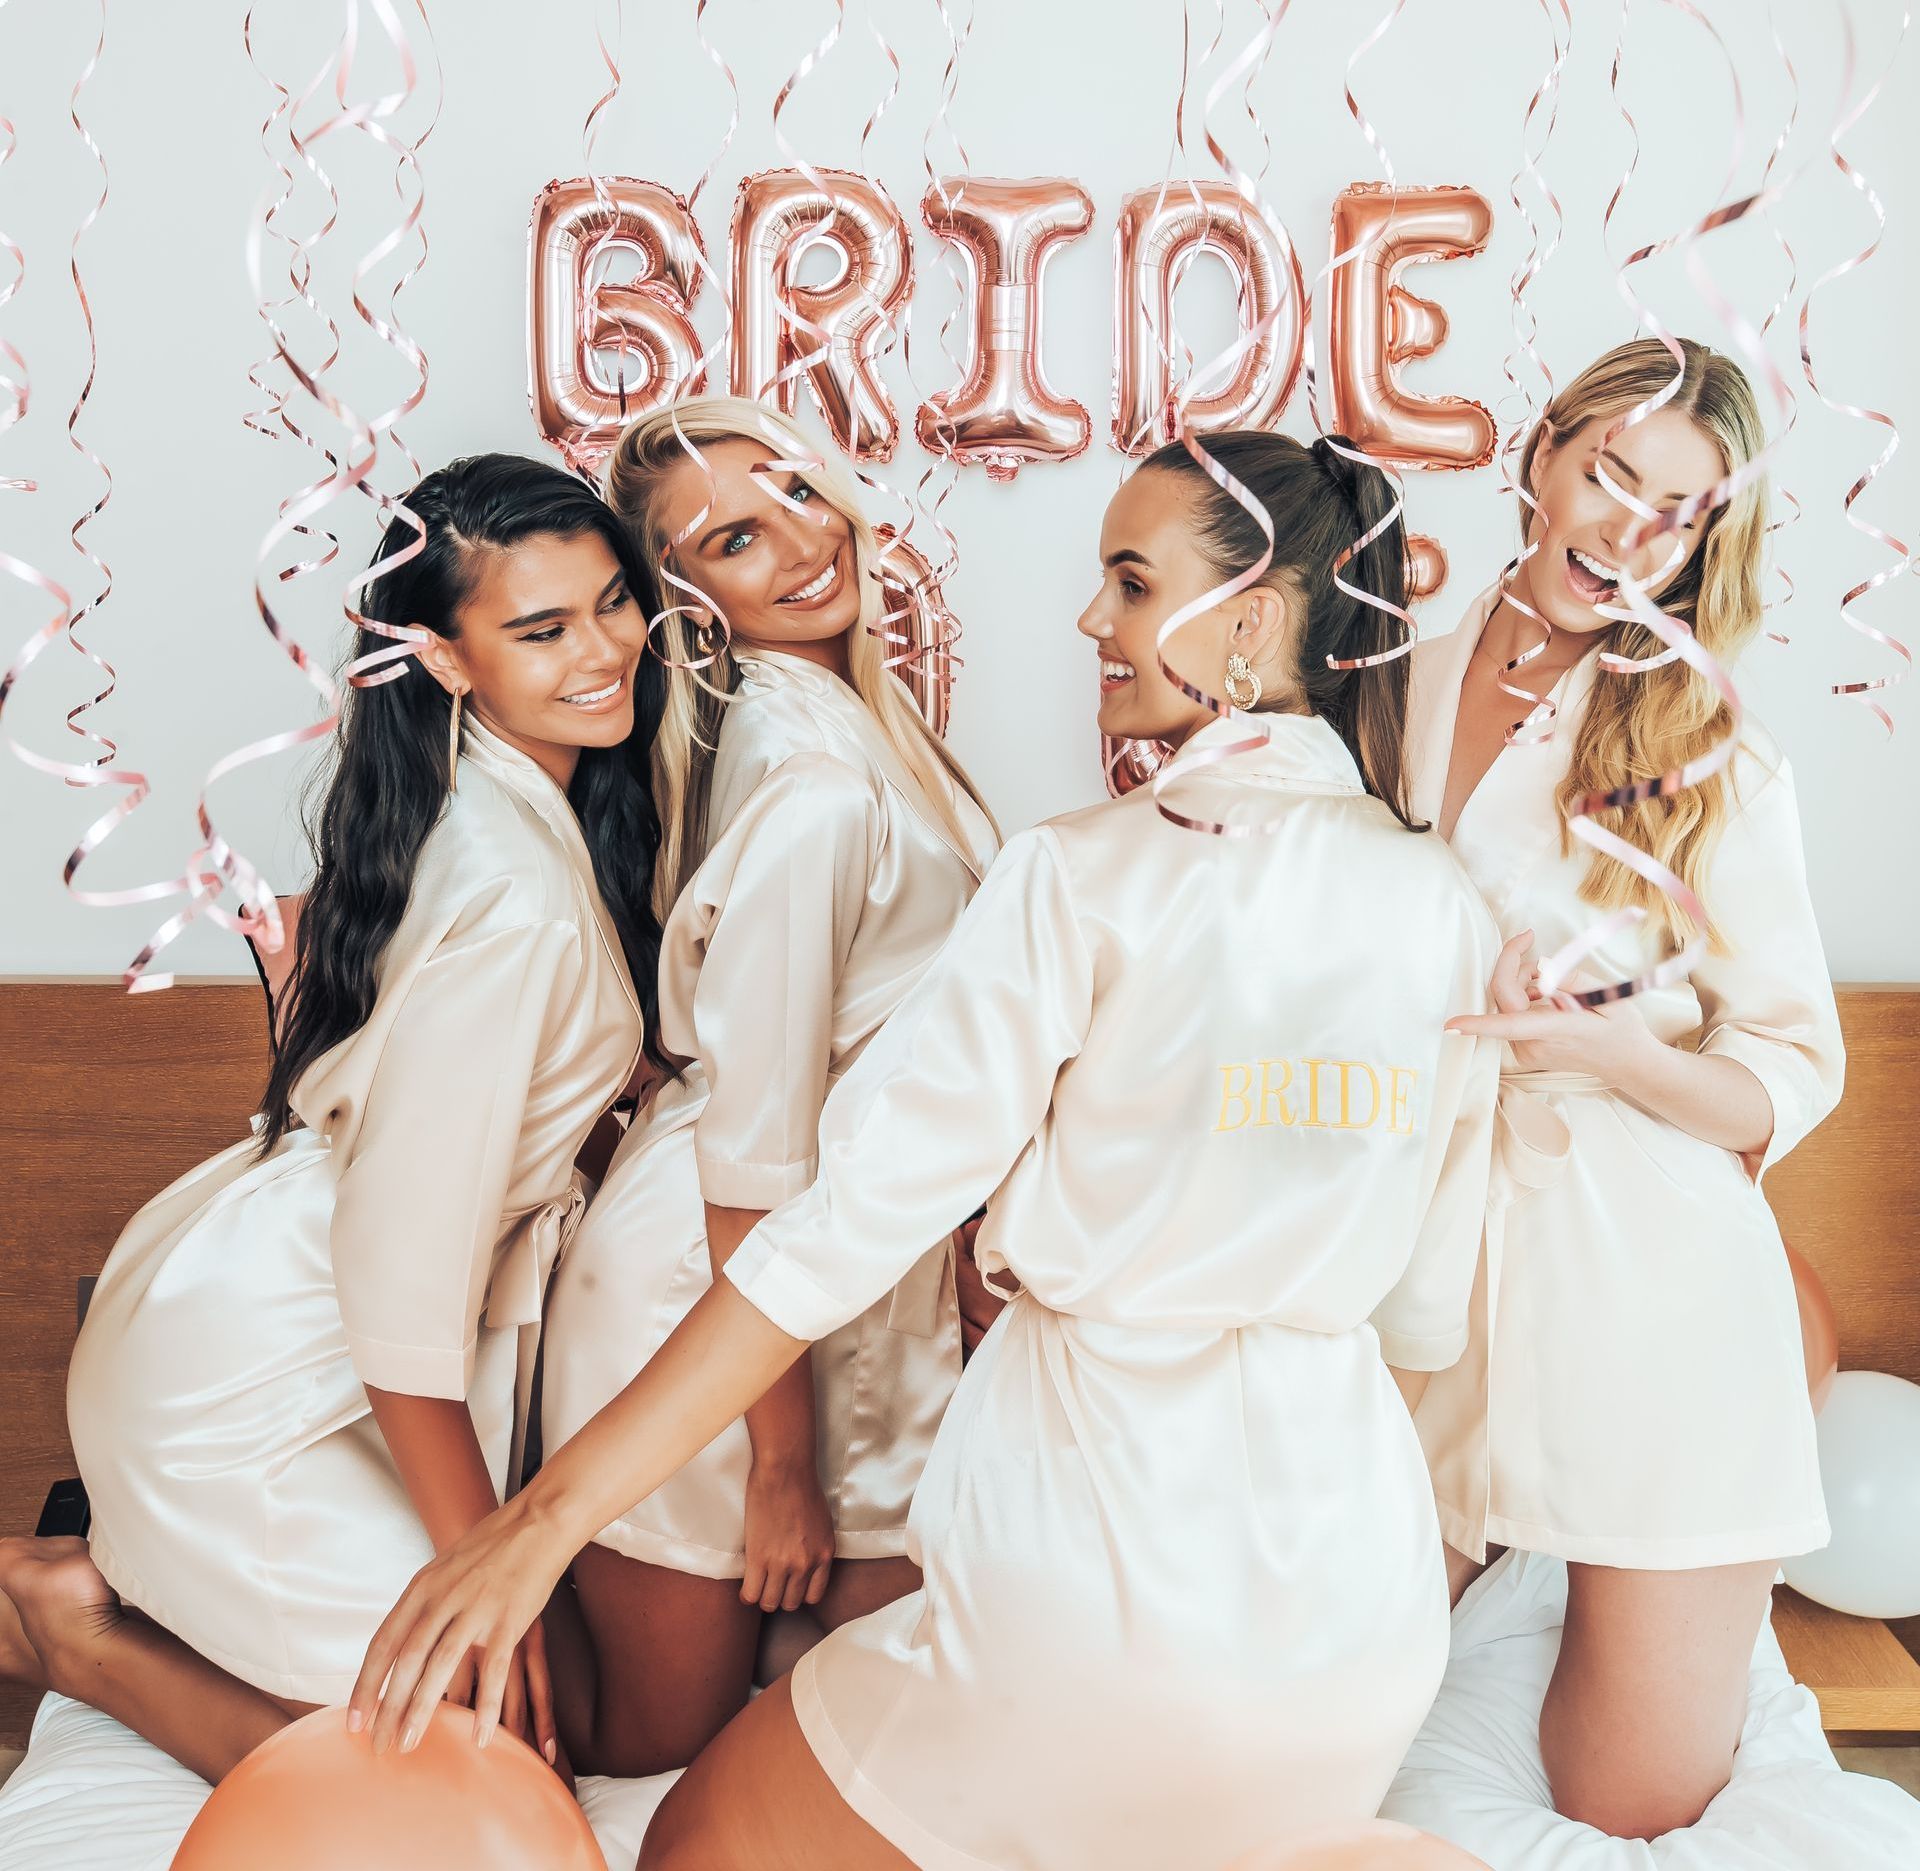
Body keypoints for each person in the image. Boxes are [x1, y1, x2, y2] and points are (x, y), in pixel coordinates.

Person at [353, 429, 1510, 1871]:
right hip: (1357, 1638)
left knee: (682, 1846)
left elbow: (830, 1233)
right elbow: (1424, 1316)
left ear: (1255, 621)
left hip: (1092, 1613)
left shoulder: (1081, 871)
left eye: (1131, 583)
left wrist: (538, 1522)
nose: (1094, 619)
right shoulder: (1449, 905)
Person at [0, 453, 666, 1785]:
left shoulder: (487, 795)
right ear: (443, 656)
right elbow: (398, 1283)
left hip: (255, 1295)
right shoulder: (516, 891)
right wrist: (489, 1565)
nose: (603, 652)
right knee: (493, 1771)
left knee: (567, 1710)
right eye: (541, 629)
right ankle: (74, 1630)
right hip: (267, 1373)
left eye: (613, 603)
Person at [1410, 338, 1845, 1839]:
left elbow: (1786, 1073)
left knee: (1633, 1808)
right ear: (1539, 457)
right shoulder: (1382, 672)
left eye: (1683, 510)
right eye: (1608, 475)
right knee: (1329, 1726)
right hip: (1416, 1266)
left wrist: (1618, 1054)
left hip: (1651, 1291)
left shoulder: (1712, 749)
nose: (1629, 530)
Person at [538, 396, 1001, 1775]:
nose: (804, 540)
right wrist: (781, 1470)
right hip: (711, 1304)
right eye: (740, 536)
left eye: (800, 488)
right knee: (635, 1755)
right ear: (688, 599)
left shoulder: (860, 723)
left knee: (857, 1740)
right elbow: (756, 1149)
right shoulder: (811, 780)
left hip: (846, 1315)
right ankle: (80, 1626)